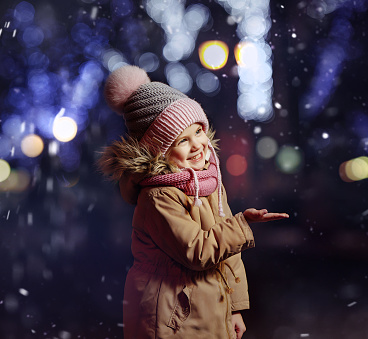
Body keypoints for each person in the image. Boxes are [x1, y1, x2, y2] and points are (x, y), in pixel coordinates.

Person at [98, 65, 288, 339]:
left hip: (208, 305)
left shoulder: (209, 180)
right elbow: (197, 252)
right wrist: (242, 223)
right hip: (172, 317)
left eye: (198, 132)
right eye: (182, 140)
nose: (198, 145)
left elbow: (228, 256)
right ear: (160, 151)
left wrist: (234, 308)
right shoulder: (158, 196)